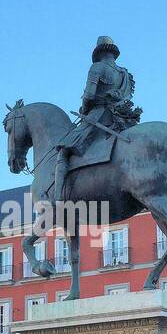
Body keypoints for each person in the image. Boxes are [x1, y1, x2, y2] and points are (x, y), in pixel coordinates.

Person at [50, 37, 142, 208]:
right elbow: (127, 97)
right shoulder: (126, 75)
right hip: (123, 119)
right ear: (113, 53)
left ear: (99, 53)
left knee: (63, 150)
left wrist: (84, 109)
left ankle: (57, 198)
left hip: (100, 115)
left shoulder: (97, 68)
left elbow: (89, 95)